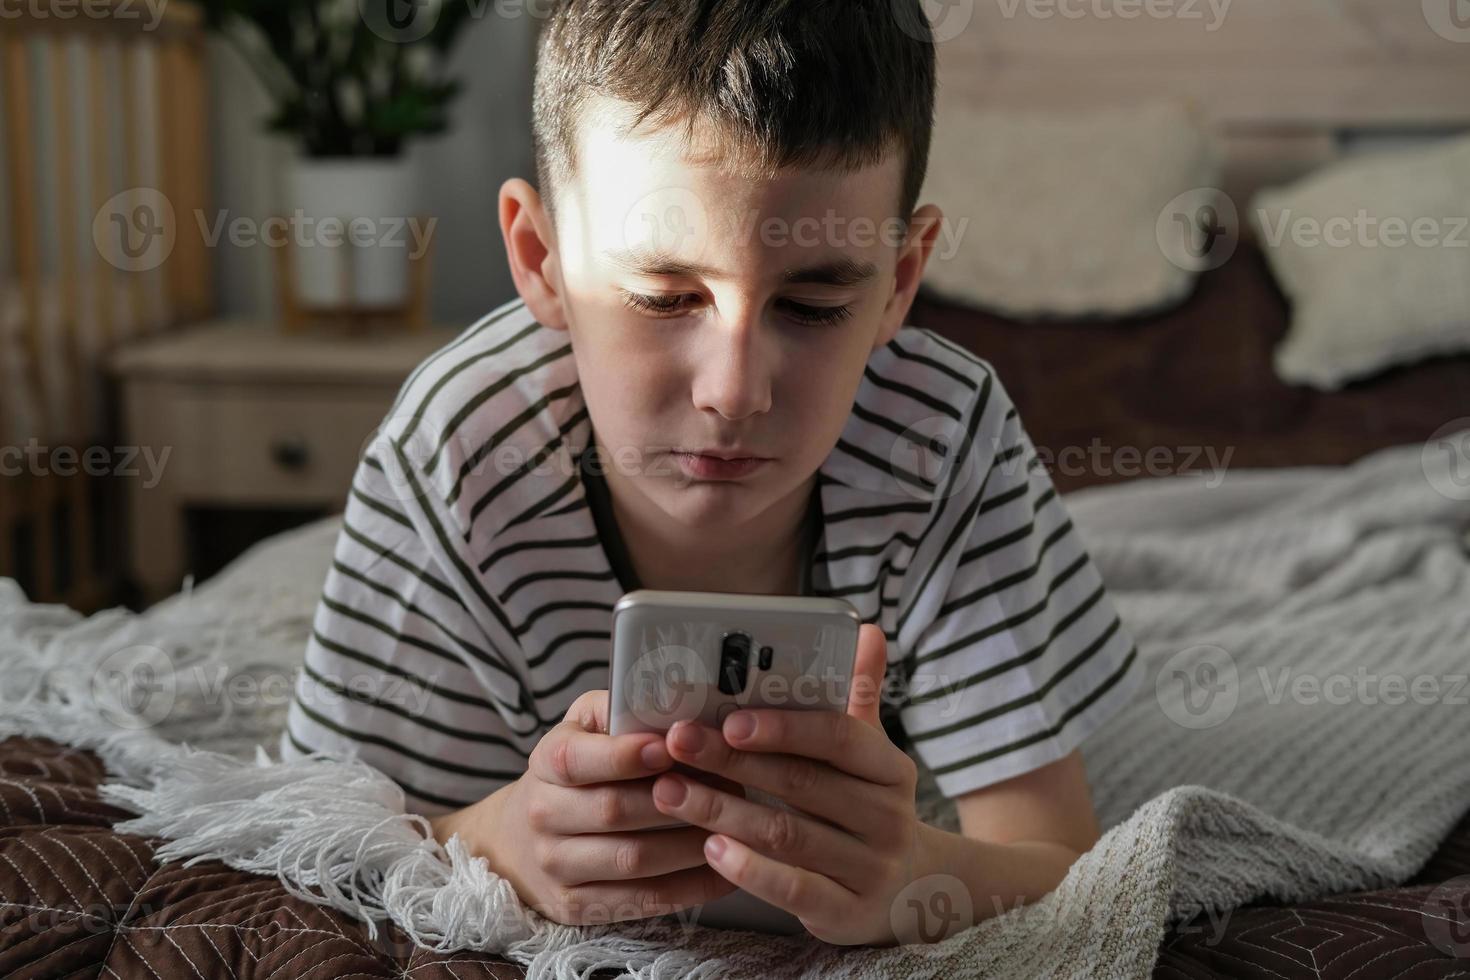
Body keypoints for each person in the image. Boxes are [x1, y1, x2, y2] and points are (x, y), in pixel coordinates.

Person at [281, 0, 1141, 946]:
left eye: (813, 303)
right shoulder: (451, 458)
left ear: (899, 282)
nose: (735, 392)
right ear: (540, 260)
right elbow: (327, 836)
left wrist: (918, 878)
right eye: (662, 297)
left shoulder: (944, 441)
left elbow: (1057, 860)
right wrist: (499, 843)